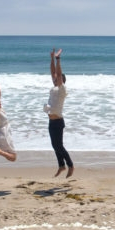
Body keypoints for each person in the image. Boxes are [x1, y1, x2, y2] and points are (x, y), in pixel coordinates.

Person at [44, 48, 74, 177]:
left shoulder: (62, 89)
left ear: (62, 81)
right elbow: (53, 72)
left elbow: (57, 72)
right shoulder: (54, 88)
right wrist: (51, 58)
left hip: (58, 122)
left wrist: (58, 59)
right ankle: (61, 166)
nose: (56, 77)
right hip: (51, 121)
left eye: (58, 77)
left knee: (59, 146)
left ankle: (70, 165)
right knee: (54, 146)